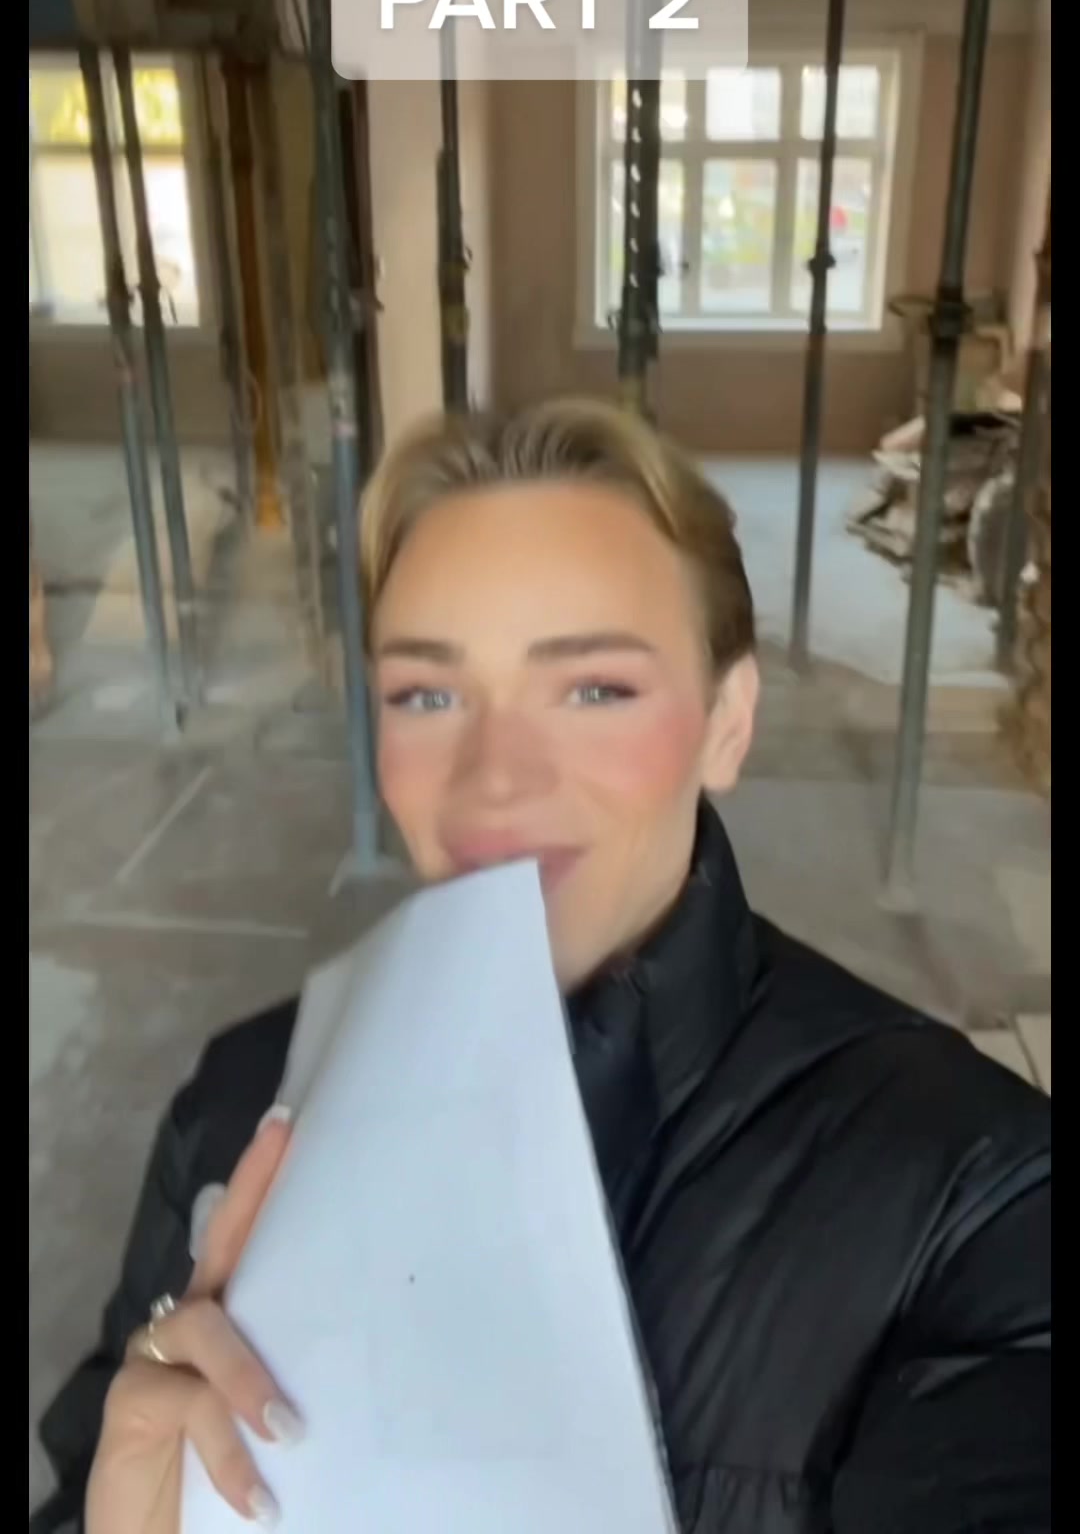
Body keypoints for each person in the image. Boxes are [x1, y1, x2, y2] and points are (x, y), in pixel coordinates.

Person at [31, 397, 1051, 1534]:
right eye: (428, 694)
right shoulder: (237, 1108)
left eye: (594, 689)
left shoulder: (977, 1196)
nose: (495, 777)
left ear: (727, 721)